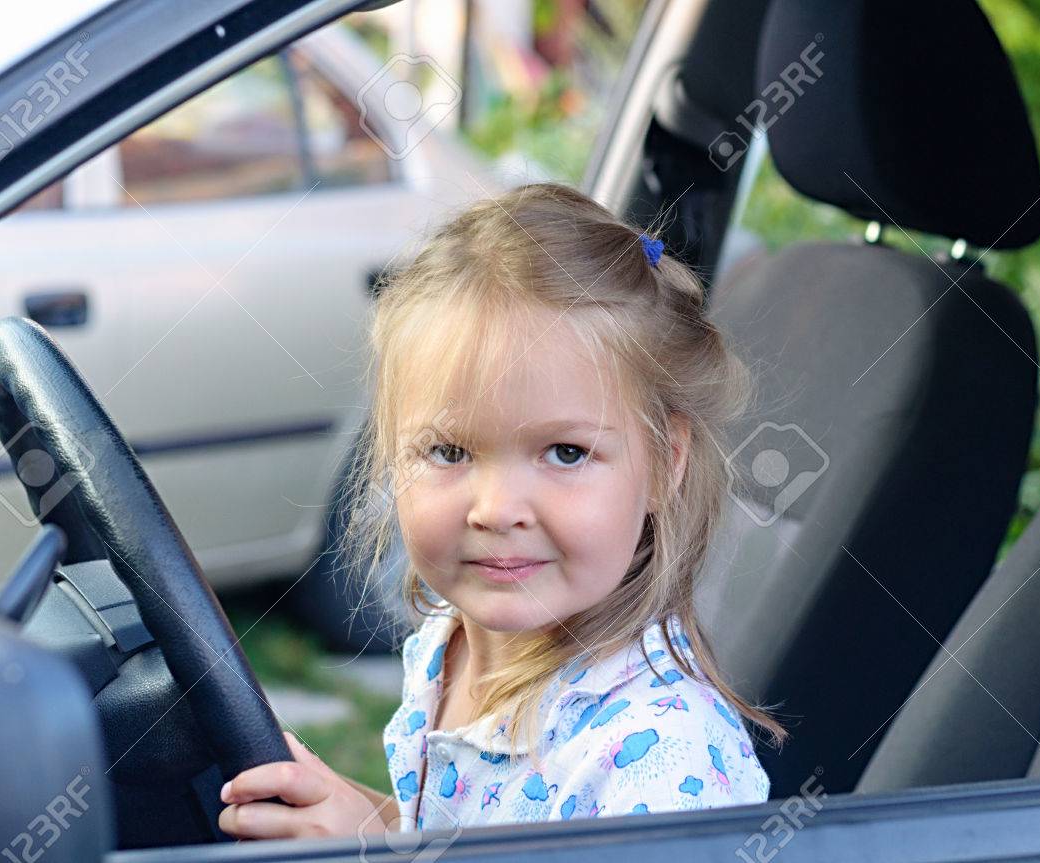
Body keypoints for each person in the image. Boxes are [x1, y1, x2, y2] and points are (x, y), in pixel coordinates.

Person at [218, 182, 787, 841]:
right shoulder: (448, 638)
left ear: (666, 462)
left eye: (566, 452)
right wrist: (365, 820)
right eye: (449, 449)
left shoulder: (660, 757)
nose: (496, 508)